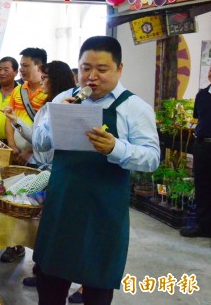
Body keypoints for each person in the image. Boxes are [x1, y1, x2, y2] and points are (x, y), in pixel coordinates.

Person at [32, 36, 160, 305]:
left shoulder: (134, 108)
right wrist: (53, 121)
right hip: (62, 204)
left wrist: (116, 148)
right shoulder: (65, 98)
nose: (92, 77)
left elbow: (151, 159)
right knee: (49, 282)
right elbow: (40, 144)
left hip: (104, 210)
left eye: (102, 70)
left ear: (119, 69)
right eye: (85, 68)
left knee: (98, 284)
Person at [3, 61, 84, 303]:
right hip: (43, 170)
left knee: (15, 192)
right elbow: (39, 139)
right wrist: (16, 120)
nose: (42, 80)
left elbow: (45, 145)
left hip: (52, 174)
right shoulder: (49, 106)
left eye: (45, 76)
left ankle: (81, 284)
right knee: (44, 225)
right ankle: (43, 271)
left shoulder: (65, 105)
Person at [0, 48, 47, 265]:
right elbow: (10, 118)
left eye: (25, 65)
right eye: (21, 65)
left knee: (37, 207)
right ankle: (15, 245)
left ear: (40, 67)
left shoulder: (50, 93)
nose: (22, 70)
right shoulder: (20, 91)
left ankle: (40, 257)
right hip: (16, 154)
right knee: (15, 201)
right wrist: (12, 145)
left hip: (39, 160)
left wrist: (30, 151)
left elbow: (46, 133)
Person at [180, 66, 211, 238]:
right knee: (202, 185)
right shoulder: (202, 95)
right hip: (202, 146)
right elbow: (198, 116)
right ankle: (201, 226)